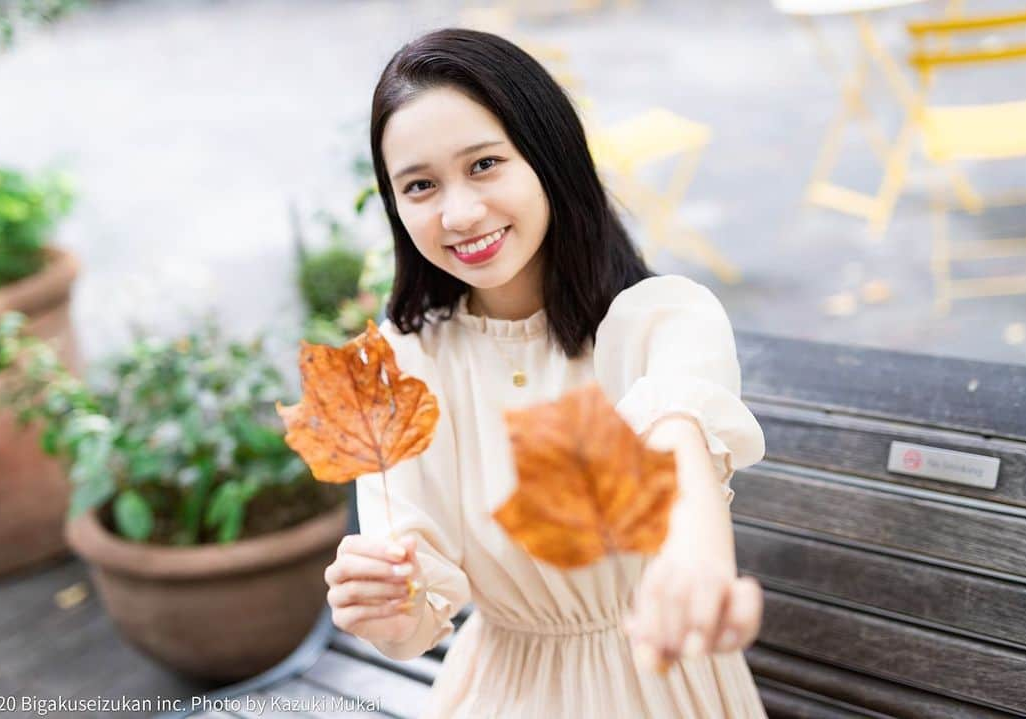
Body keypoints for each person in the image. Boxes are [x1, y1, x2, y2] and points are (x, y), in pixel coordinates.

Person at [322, 28, 768, 718]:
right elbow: (415, 611)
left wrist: (696, 569)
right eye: (420, 185)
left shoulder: (660, 322)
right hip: (503, 691)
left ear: (549, 158)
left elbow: (677, 440)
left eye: (484, 164)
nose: (461, 212)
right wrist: (382, 608)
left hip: (665, 684)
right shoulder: (395, 370)